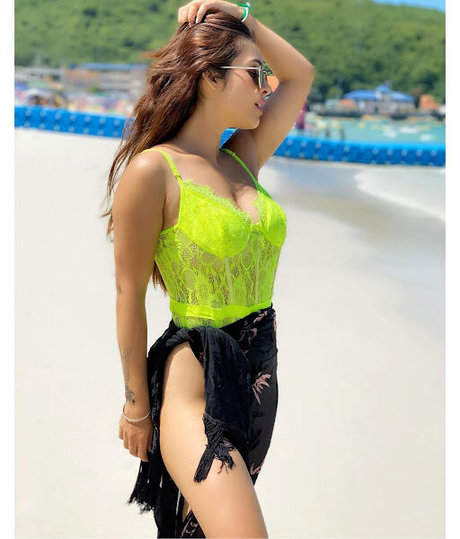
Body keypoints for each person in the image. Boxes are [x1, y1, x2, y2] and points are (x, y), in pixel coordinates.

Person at [101, 2, 314, 537]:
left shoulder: (242, 157)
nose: (266, 86)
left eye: (264, 74)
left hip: (259, 380)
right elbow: (128, 292)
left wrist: (242, 16)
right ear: (210, 77)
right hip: (194, 383)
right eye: (254, 73)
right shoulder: (153, 171)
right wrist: (136, 407)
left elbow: (301, 75)